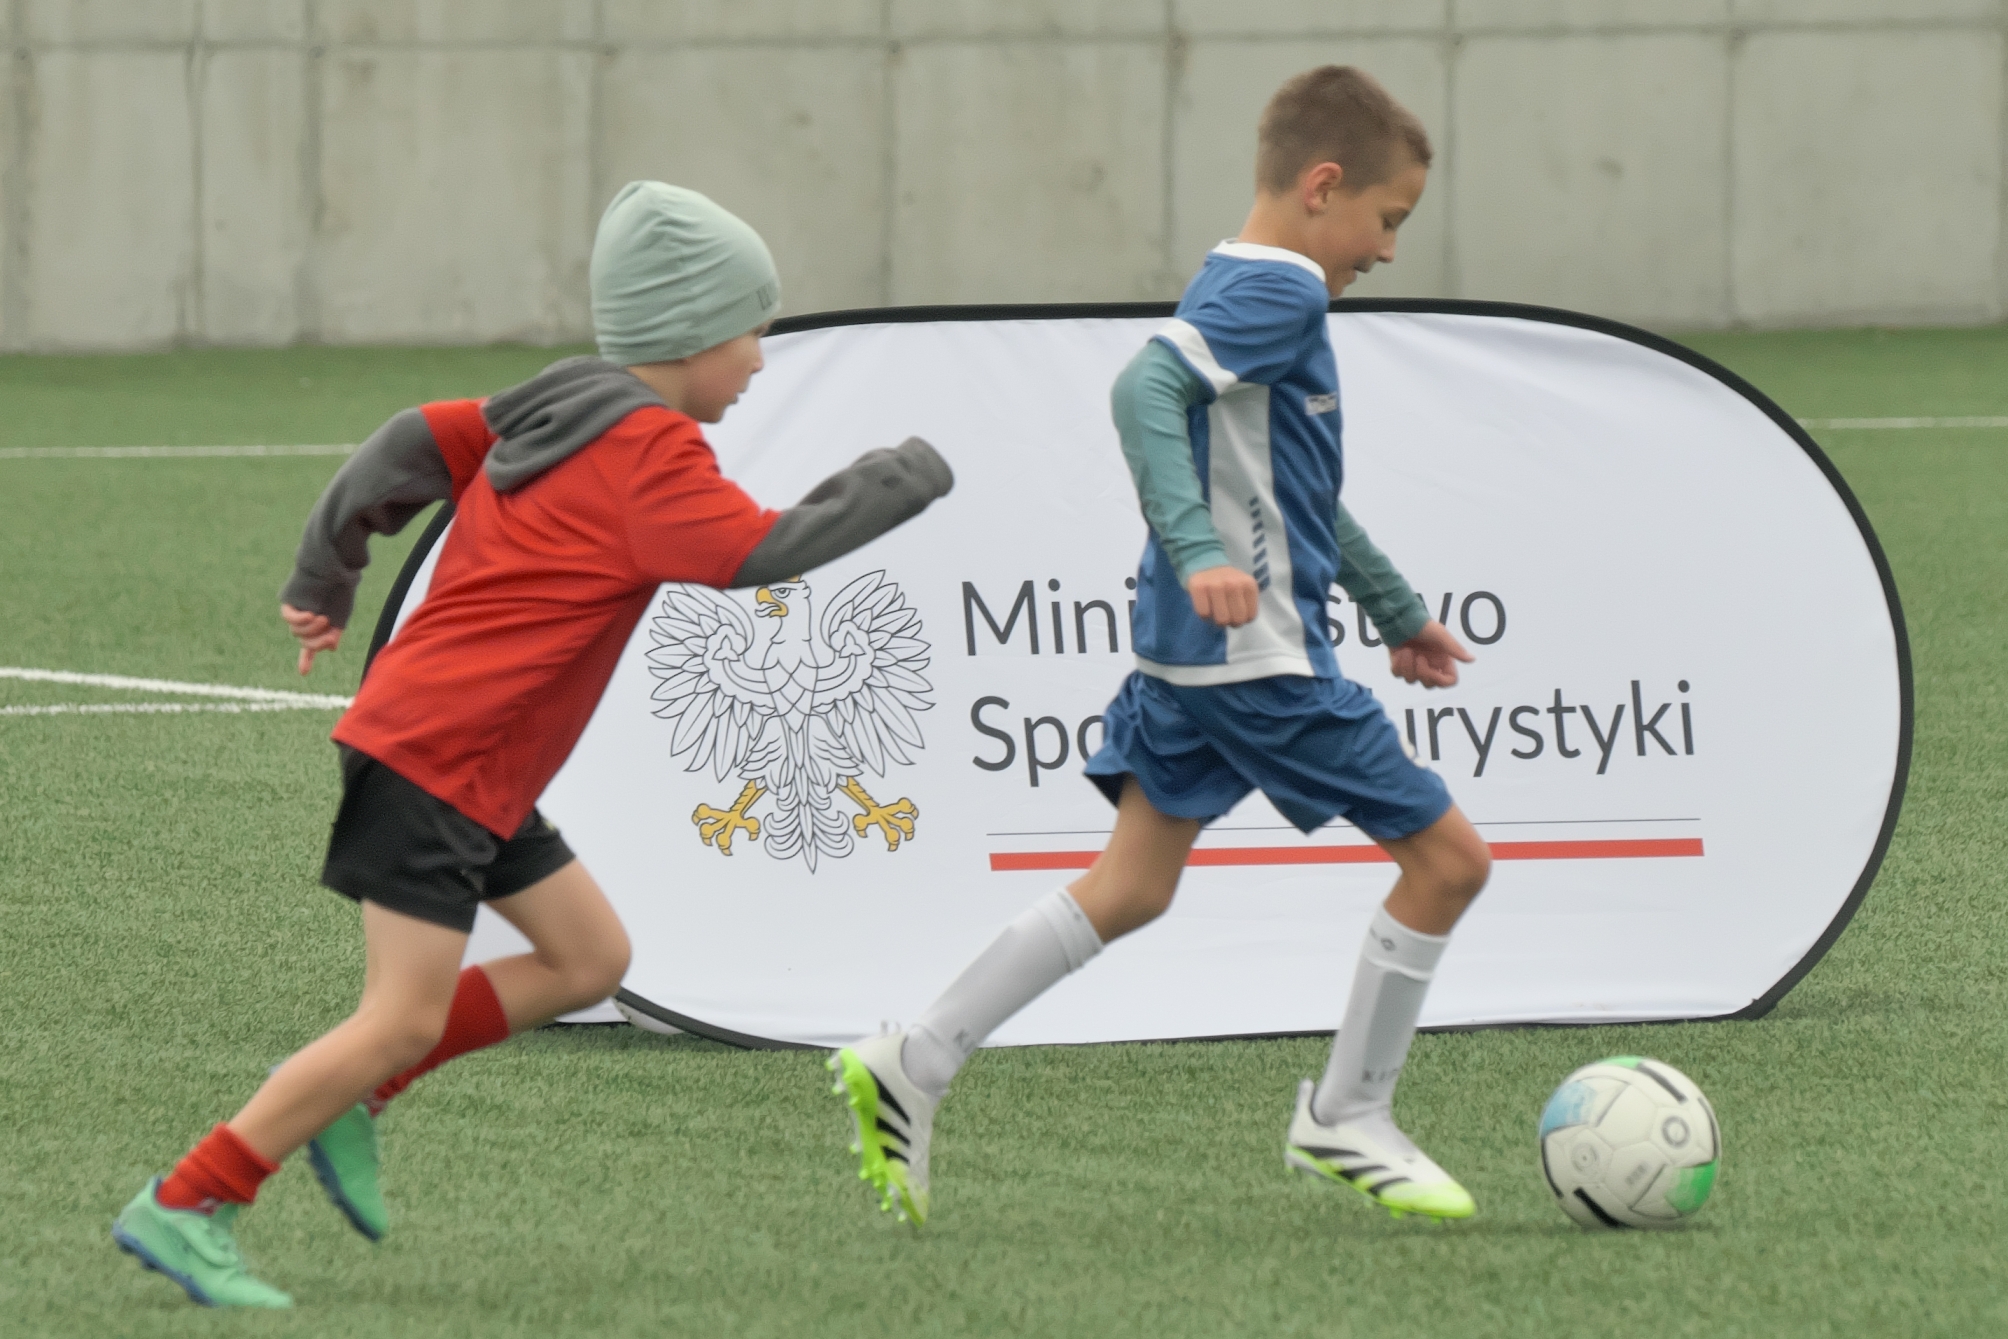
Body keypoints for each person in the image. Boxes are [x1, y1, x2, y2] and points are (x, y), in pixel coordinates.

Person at [112, 182, 954, 1308]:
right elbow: (756, 555)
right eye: (749, 330)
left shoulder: (555, 405)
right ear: (690, 334)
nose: (760, 358)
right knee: (399, 1014)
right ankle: (188, 1199)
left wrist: (327, 573)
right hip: (441, 758)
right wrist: (905, 475)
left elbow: (406, 442)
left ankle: (357, 1093)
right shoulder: (649, 453)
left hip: (469, 760)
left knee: (587, 960)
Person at [830, 66, 1489, 1229]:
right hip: (1255, 658)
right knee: (1449, 865)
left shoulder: (1236, 276)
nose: (1388, 250)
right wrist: (1194, 550)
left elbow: (1295, 491)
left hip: (1190, 659)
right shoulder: (1282, 289)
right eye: (1387, 219)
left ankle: (915, 1058)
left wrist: (1394, 611)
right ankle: (1347, 1112)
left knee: (1131, 885)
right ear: (1322, 186)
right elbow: (1143, 388)